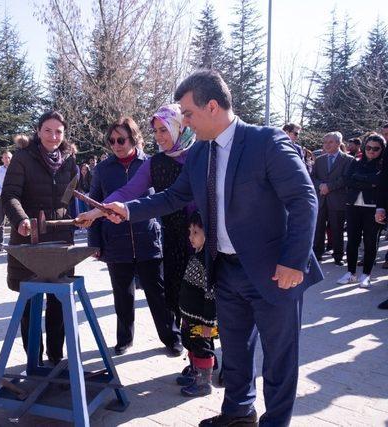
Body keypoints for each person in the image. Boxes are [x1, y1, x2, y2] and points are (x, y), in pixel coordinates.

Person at [101, 70, 323, 427]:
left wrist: (293, 261)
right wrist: (126, 210)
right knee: (234, 351)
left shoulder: (266, 142)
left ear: (213, 106)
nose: (184, 122)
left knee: (279, 358)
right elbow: (174, 197)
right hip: (226, 269)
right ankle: (238, 413)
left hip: (275, 272)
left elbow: (303, 199)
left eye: (188, 114)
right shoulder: (201, 152)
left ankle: (276, 422)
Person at [78, 103, 196, 356]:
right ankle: (199, 364)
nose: (160, 137)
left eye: (164, 130)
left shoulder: (202, 155)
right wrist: (94, 213)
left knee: (202, 304)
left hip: (195, 242)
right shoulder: (154, 164)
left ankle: (213, 361)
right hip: (171, 242)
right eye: (156, 131)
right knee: (180, 300)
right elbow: (125, 194)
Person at [1, 110, 78, 365]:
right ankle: (33, 360)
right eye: (48, 130)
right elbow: (10, 195)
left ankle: (56, 358)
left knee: (58, 303)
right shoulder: (23, 158)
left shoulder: (69, 159)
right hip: (28, 241)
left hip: (60, 240)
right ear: (38, 131)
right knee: (30, 303)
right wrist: (21, 219)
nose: (53, 136)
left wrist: (81, 220)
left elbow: (72, 196)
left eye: (58, 131)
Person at [176, 211, 217, 398]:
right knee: (190, 342)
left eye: (196, 233)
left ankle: (204, 383)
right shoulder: (197, 254)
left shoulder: (208, 261)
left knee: (201, 346)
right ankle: (195, 372)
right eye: (190, 231)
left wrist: (209, 322)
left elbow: (211, 295)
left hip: (201, 319)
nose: (190, 237)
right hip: (189, 315)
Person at [336, 133, 385, 288]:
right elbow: (347, 180)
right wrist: (369, 182)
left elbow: (379, 181)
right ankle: (351, 273)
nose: (372, 151)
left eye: (376, 149)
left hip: (373, 208)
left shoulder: (383, 165)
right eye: (369, 147)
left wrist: (360, 179)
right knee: (352, 241)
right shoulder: (355, 162)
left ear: (382, 150)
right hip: (353, 206)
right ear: (364, 147)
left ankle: (366, 274)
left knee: (371, 242)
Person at [311, 132, 354, 265]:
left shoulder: (348, 160)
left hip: (337, 200)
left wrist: (329, 186)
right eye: (325, 142)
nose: (326, 145)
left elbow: (346, 178)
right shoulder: (319, 160)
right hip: (321, 199)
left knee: (337, 229)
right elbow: (313, 177)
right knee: (318, 228)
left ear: (338, 143)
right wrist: (321, 186)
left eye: (330, 142)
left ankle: (338, 256)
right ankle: (317, 254)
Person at [0, 150, 13, 253]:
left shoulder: (15, 169)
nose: (7, 159)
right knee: (0, 223)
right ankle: (0, 245)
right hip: (0, 198)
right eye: (5, 157)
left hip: (12, 198)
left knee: (14, 221)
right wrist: (2, 193)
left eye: (9, 157)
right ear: (2, 159)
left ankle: (14, 243)